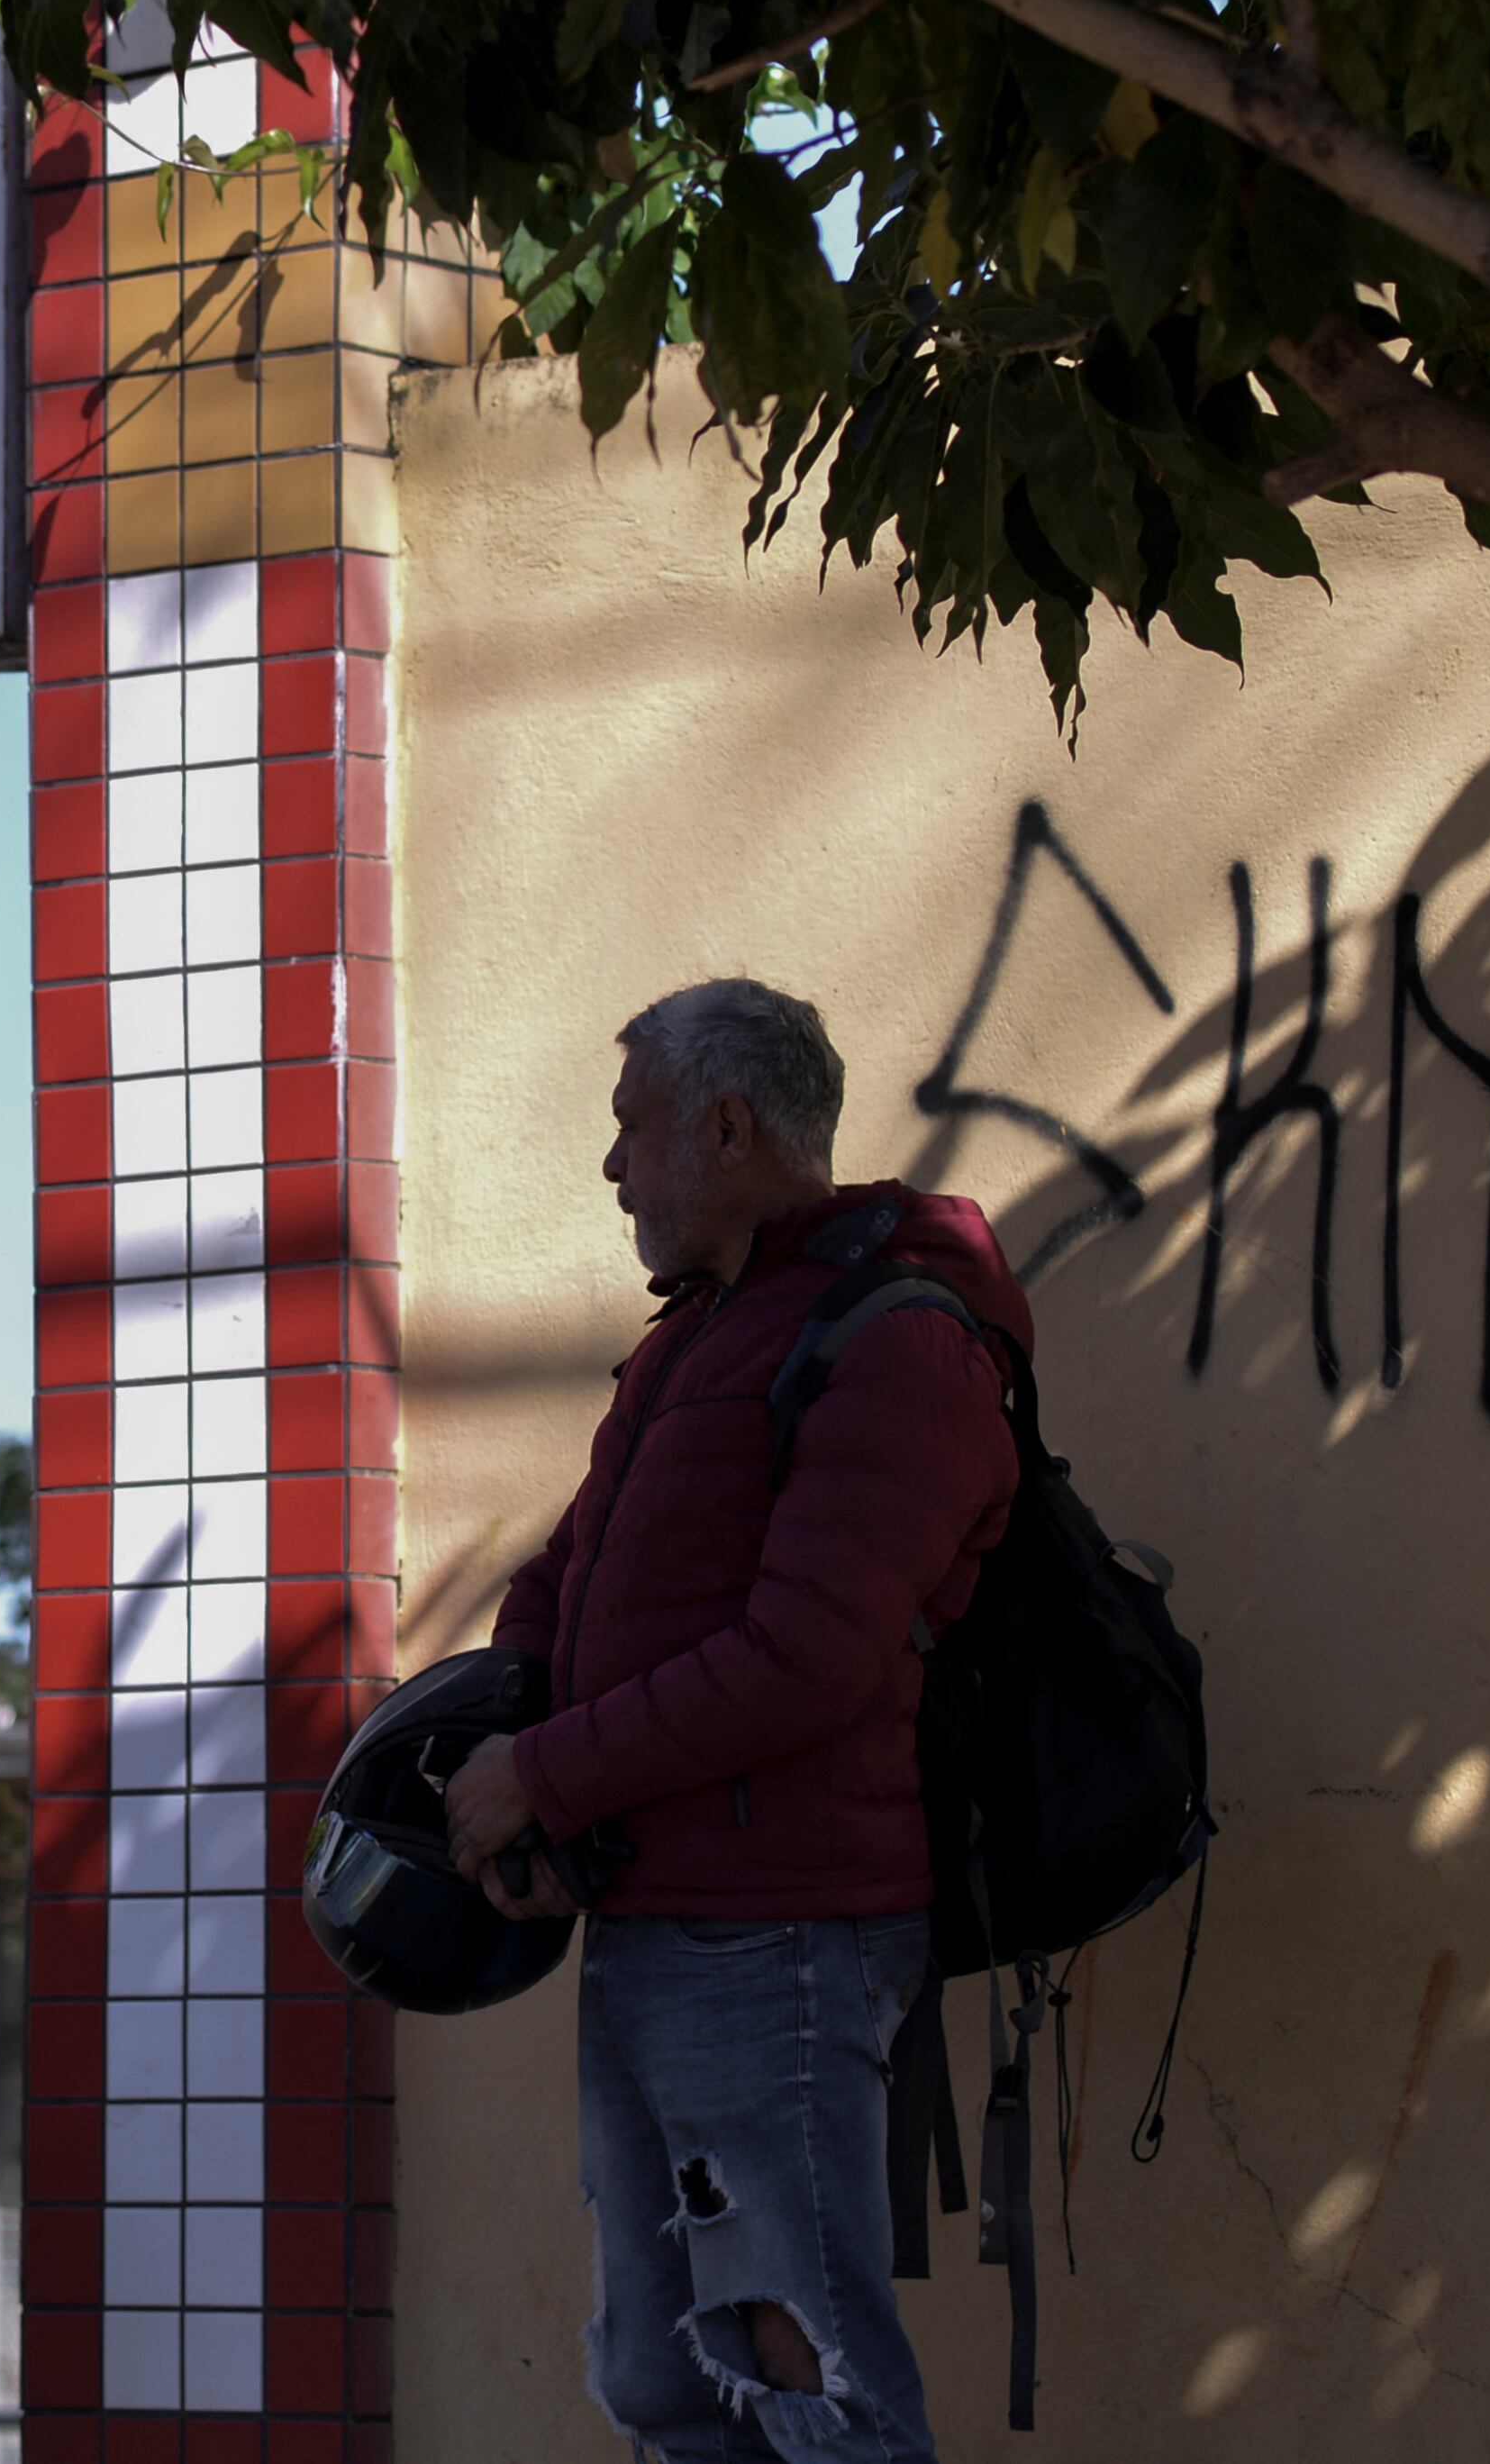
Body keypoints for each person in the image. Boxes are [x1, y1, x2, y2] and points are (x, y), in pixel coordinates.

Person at [440, 977, 1025, 2464]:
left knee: (799, 2369)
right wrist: (534, 1780)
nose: (610, 1165)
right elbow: (566, 1576)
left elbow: (804, 1658)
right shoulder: (695, 1337)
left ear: (724, 1127)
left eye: (631, 1126)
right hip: (653, 1913)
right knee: (665, 2374)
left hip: (782, 1937)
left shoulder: (896, 1338)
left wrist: (545, 1776)